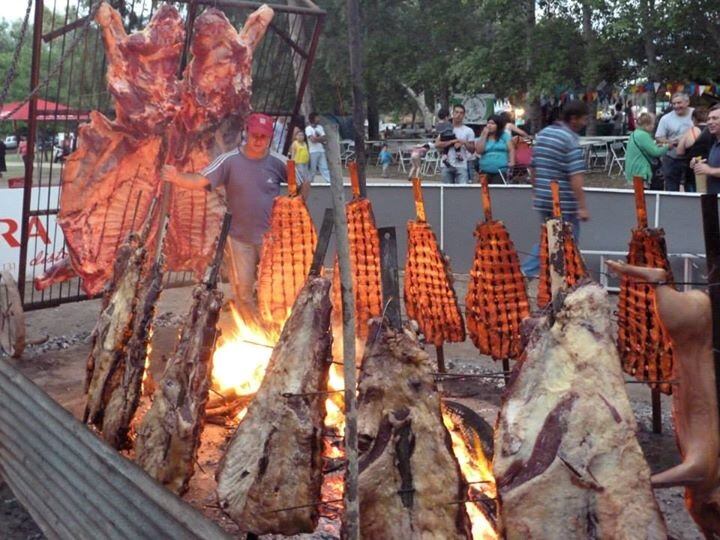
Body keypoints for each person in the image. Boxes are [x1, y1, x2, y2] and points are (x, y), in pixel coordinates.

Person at [161, 113, 286, 321]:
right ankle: (252, 330)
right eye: (254, 135)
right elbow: (200, 180)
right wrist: (176, 178)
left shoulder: (279, 162)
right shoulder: (229, 161)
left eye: (263, 137)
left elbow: (301, 181)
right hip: (239, 240)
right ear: (246, 132)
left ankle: (273, 330)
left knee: (274, 291)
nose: (258, 140)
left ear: (270, 138)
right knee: (243, 292)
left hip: (271, 240)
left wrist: (292, 209)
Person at [520, 100, 589, 278]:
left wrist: (536, 192)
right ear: (573, 119)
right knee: (565, 243)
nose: (585, 123)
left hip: (543, 198)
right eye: (584, 119)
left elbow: (533, 166)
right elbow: (576, 176)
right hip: (563, 202)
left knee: (549, 239)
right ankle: (525, 273)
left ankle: (554, 282)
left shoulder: (543, 134)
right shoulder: (570, 140)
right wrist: (581, 205)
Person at [656, 92, 695, 192]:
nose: (676, 106)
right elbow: (659, 137)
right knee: (671, 188)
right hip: (672, 158)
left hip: (692, 158)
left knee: (692, 187)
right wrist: (672, 142)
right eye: (674, 104)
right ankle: (672, 206)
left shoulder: (695, 114)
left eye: (679, 103)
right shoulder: (666, 119)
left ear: (687, 102)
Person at [434, 104, 476, 184]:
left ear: (464, 115)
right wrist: (452, 142)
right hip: (446, 165)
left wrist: (463, 142)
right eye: (456, 112)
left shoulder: (468, 131)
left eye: (461, 113)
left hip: (461, 166)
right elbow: (437, 144)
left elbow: (472, 150)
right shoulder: (445, 128)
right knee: (447, 192)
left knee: (462, 191)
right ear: (452, 113)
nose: (458, 115)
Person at [624, 112, 669, 186]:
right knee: (642, 196)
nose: (653, 126)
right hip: (641, 172)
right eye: (652, 124)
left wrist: (656, 146)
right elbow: (655, 152)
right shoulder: (643, 135)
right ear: (647, 125)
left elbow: (647, 148)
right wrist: (667, 147)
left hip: (633, 170)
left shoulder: (635, 133)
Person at [678, 108, 712, 193]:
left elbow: (680, 151)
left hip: (694, 170)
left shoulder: (691, 131)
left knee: (695, 198)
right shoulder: (713, 132)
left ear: (693, 119)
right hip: (712, 168)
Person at [476, 114, 514, 184]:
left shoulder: (504, 135)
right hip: (485, 170)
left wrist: (512, 162)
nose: (489, 125)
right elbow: (479, 151)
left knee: (497, 192)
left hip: (500, 170)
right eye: (488, 123)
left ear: (498, 125)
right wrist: (484, 135)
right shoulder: (483, 135)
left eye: (492, 124)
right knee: (485, 193)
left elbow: (511, 149)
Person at [691, 104, 720, 195]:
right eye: (708, 119)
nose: (710, 122)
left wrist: (709, 170)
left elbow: (710, 169)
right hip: (712, 197)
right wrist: (699, 162)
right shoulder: (714, 142)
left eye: (715, 118)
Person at [305, 112, 330, 183]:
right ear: (313, 118)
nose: (318, 119)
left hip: (321, 150)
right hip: (313, 151)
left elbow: (324, 138)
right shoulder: (308, 129)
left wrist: (317, 138)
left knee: (324, 167)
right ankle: (310, 182)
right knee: (313, 169)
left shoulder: (320, 127)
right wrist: (320, 139)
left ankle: (329, 181)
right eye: (317, 117)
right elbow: (312, 140)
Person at [290, 127, 311, 199]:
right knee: (300, 174)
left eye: (302, 135)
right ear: (296, 136)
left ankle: (305, 185)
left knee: (305, 174)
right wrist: (292, 162)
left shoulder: (305, 143)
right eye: (299, 135)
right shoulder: (295, 144)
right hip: (298, 162)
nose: (301, 137)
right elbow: (293, 153)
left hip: (305, 161)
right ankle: (300, 187)